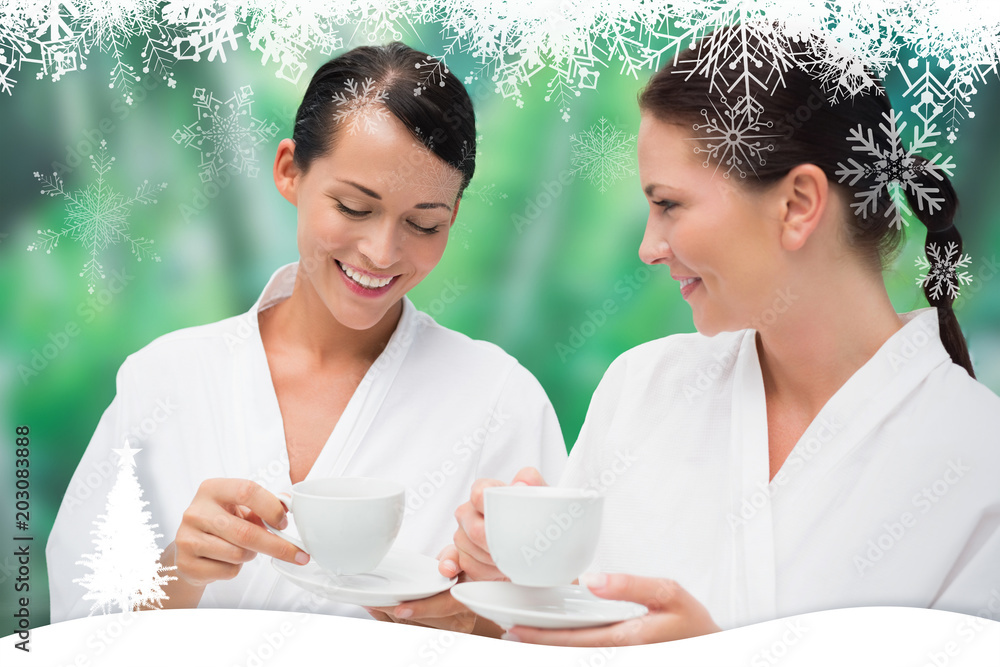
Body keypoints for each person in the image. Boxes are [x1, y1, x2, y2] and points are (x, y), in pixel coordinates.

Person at [425, 26, 1000, 644]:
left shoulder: (978, 460)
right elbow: (564, 629)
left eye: (669, 204)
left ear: (798, 203)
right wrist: (509, 585)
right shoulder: (643, 387)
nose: (649, 248)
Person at [46, 42, 566, 628]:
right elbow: (74, 630)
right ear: (290, 170)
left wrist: (472, 624)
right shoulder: (163, 381)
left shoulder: (500, 402)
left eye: (424, 223)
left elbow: (559, 628)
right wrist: (177, 572)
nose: (382, 252)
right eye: (352, 207)